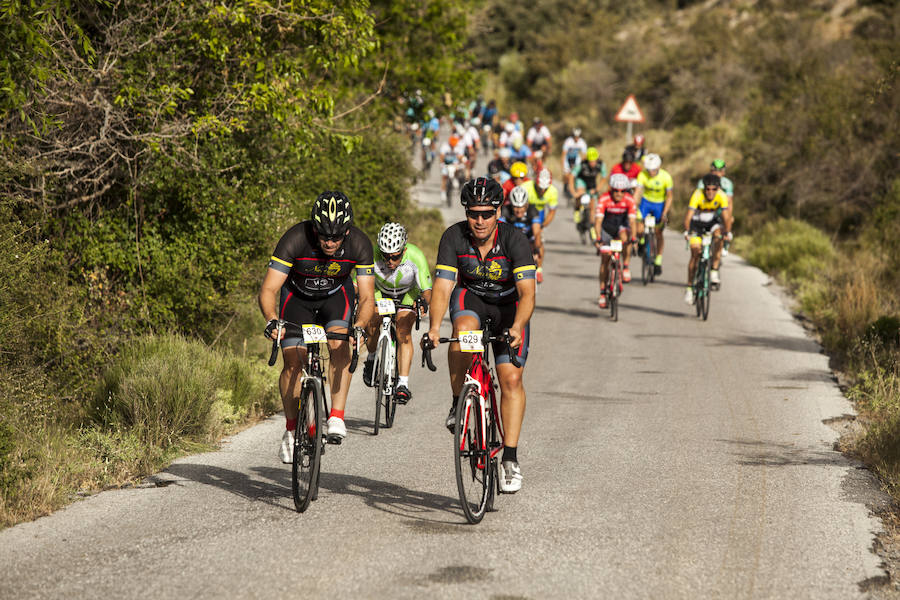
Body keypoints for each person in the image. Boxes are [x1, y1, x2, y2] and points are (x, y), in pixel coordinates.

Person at [423, 177, 536, 493]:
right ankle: (459, 401)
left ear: (498, 211)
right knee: (463, 333)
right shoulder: (453, 237)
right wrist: (433, 328)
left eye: (487, 213)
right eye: (474, 213)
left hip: (509, 309)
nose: (480, 220)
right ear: (466, 212)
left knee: (510, 379)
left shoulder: (515, 239)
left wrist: (516, 327)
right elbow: (444, 287)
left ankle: (510, 459)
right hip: (471, 299)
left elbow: (528, 294)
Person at [259, 192, 375, 461]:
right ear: (314, 228)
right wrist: (271, 319)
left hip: (336, 297)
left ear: (347, 231)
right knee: (292, 360)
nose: (330, 242)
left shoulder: (359, 243)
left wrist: (359, 325)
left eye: (336, 237)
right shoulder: (295, 238)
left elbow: (368, 296)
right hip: (297, 299)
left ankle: (336, 415)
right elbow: (269, 288)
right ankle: (290, 430)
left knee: (339, 343)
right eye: (324, 236)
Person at [361, 223, 432, 404]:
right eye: (385, 256)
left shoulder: (415, 256)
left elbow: (426, 289)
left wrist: (423, 301)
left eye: (395, 257)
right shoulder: (371, 254)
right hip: (379, 292)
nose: (390, 262)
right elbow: (358, 283)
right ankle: (370, 358)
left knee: (403, 330)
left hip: (406, 295)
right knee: (372, 323)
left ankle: (403, 383)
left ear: (404, 249)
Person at [683, 174, 732, 303]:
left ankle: (714, 268)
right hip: (696, 224)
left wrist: (727, 232)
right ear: (704, 188)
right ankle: (689, 287)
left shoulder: (722, 196)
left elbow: (726, 217)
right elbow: (688, 217)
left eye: (714, 189)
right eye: (708, 189)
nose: (710, 192)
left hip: (712, 223)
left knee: (719, 236)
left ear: (718, 189)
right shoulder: (697, 195)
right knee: (695, 253)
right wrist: (688, 231)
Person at [593, 174, 637, 307]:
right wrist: (598, 238)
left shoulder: (629, 200)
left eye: (622, 191)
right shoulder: (604, 199)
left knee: (627, 238)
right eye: (616, 191)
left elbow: (632, 222)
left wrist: (634, 238)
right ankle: (602, 292)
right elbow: (598, 221)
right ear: (611, 189)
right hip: (606, 229)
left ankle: (626, 267)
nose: (619, 194)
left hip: (621, 228)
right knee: (605, 258)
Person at [634, 153, 674, 275]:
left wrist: (665, 212)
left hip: (660, 204)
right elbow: (637, 192)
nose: (651, 172)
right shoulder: (642, 175)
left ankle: (658, 260)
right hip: (646, 203)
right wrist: (634, 207)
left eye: (653, 169)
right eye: (649, 169)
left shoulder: (666, 177)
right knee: (639, 228)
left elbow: (669, 197)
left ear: (658, 167)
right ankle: (641, 242)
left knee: (658, 233)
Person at [521, 168, 558, 283]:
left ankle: (539, 270)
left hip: (539, 215)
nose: (542, 191)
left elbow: (552, 212)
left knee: (538, 242)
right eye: (540, 188)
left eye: (544, 189)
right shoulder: (526, 187)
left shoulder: (552, 191)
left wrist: (542, 226)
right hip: (525, 214)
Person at [501, 185, 544, 273]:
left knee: (540, 244)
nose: (518, 210)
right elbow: (500, 231)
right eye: (515, 207)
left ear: (527, 205)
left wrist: (536, 250)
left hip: (528, 236)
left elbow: (537, 233)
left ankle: (539, 270)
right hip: (512, 238)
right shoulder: (505, 210)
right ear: (511, 205)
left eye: (521, 207)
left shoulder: (533, 210)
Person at [697, 159, 735, 252]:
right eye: (715, 170)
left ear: (723, 172)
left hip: (721, 208)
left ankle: (725, 238)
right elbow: (698, 199)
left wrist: (728, 217)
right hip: (706, 208)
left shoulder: (727, 183)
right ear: (711, 171)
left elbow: (729, 202)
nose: (717, 173)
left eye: (720, 171)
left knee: (729, 219)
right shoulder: (703, 182)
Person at [560, 128, 587, 200]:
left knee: (576, 173)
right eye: (575, 137)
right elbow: (563, 155)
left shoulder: (582, 142)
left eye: (578, 137)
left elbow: (584, 155)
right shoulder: (568, 141)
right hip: (567, 158)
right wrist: (563, 168)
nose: (576, 138)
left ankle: (575, 186)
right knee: (567, 174)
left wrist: (582, 165)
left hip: (576, 159)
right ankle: (565, 186)